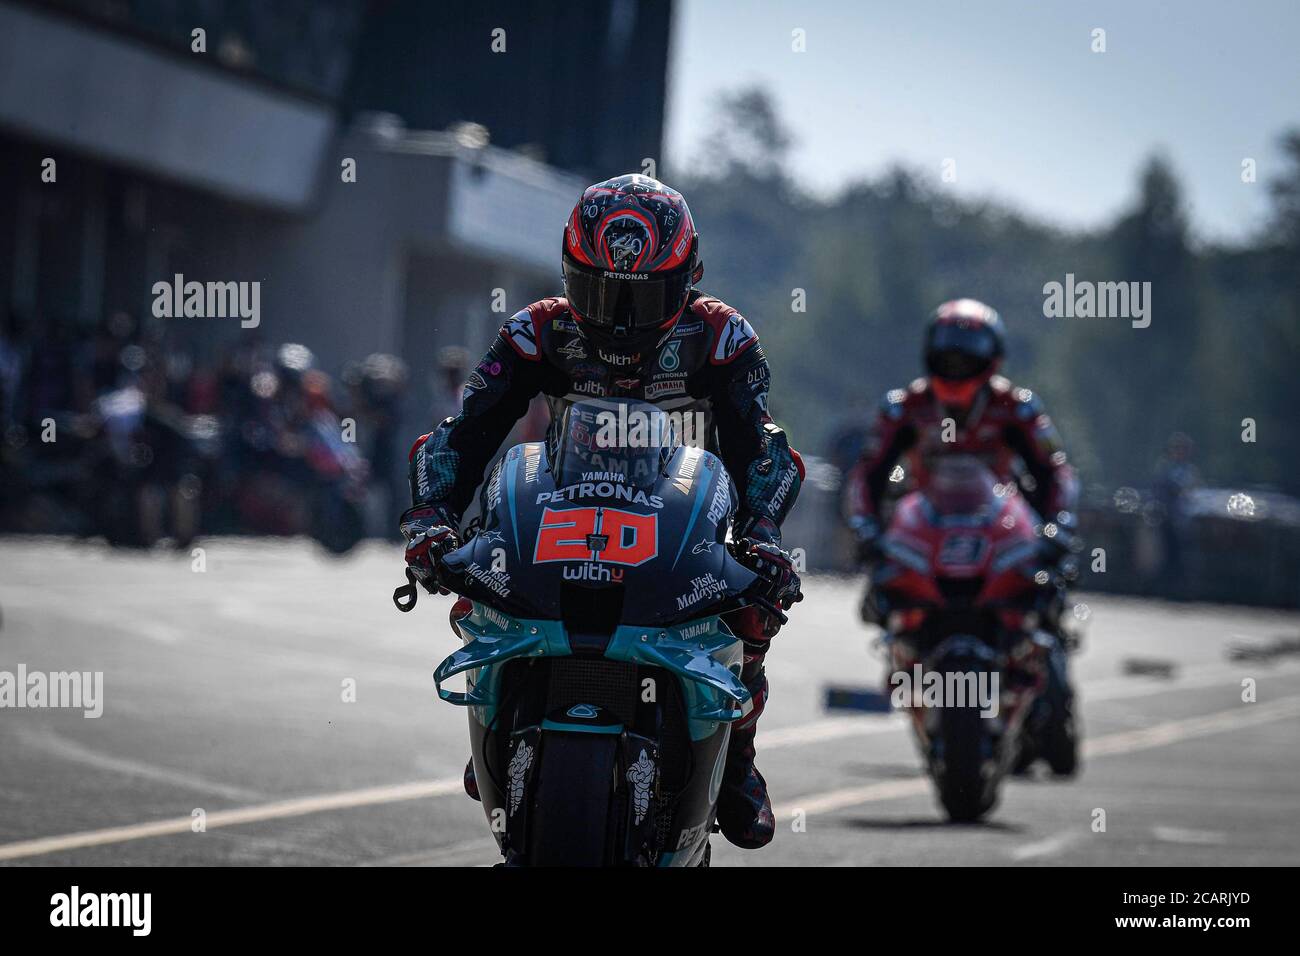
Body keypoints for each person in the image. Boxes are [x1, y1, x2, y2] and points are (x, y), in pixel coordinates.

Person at [400, 174, 804, 848]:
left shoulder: (721, 337)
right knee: (476, 592)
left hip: (681, 519)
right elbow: (461, 435)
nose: (620, 318)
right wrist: (430, 519)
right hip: (561, 510)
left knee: (755, 612)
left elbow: (761, 447)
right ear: (568, 271)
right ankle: (503, 713)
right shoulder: (537, 331)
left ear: (690, 276)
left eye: (644, 296)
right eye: (600, 291)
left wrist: (761, 533)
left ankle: (737, 759)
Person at [845, 298, 1079, 562]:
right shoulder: (903, 408)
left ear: (992, 359)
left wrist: (1056, 523)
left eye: (967, 355)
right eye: (947, 353)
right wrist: (866, 527)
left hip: (1003, 536)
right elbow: (867, 473)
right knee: (885, 589)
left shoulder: (1017, 408)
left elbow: (1055, 471)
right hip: (918, 537)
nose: (955, 364)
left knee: (1043, 586)